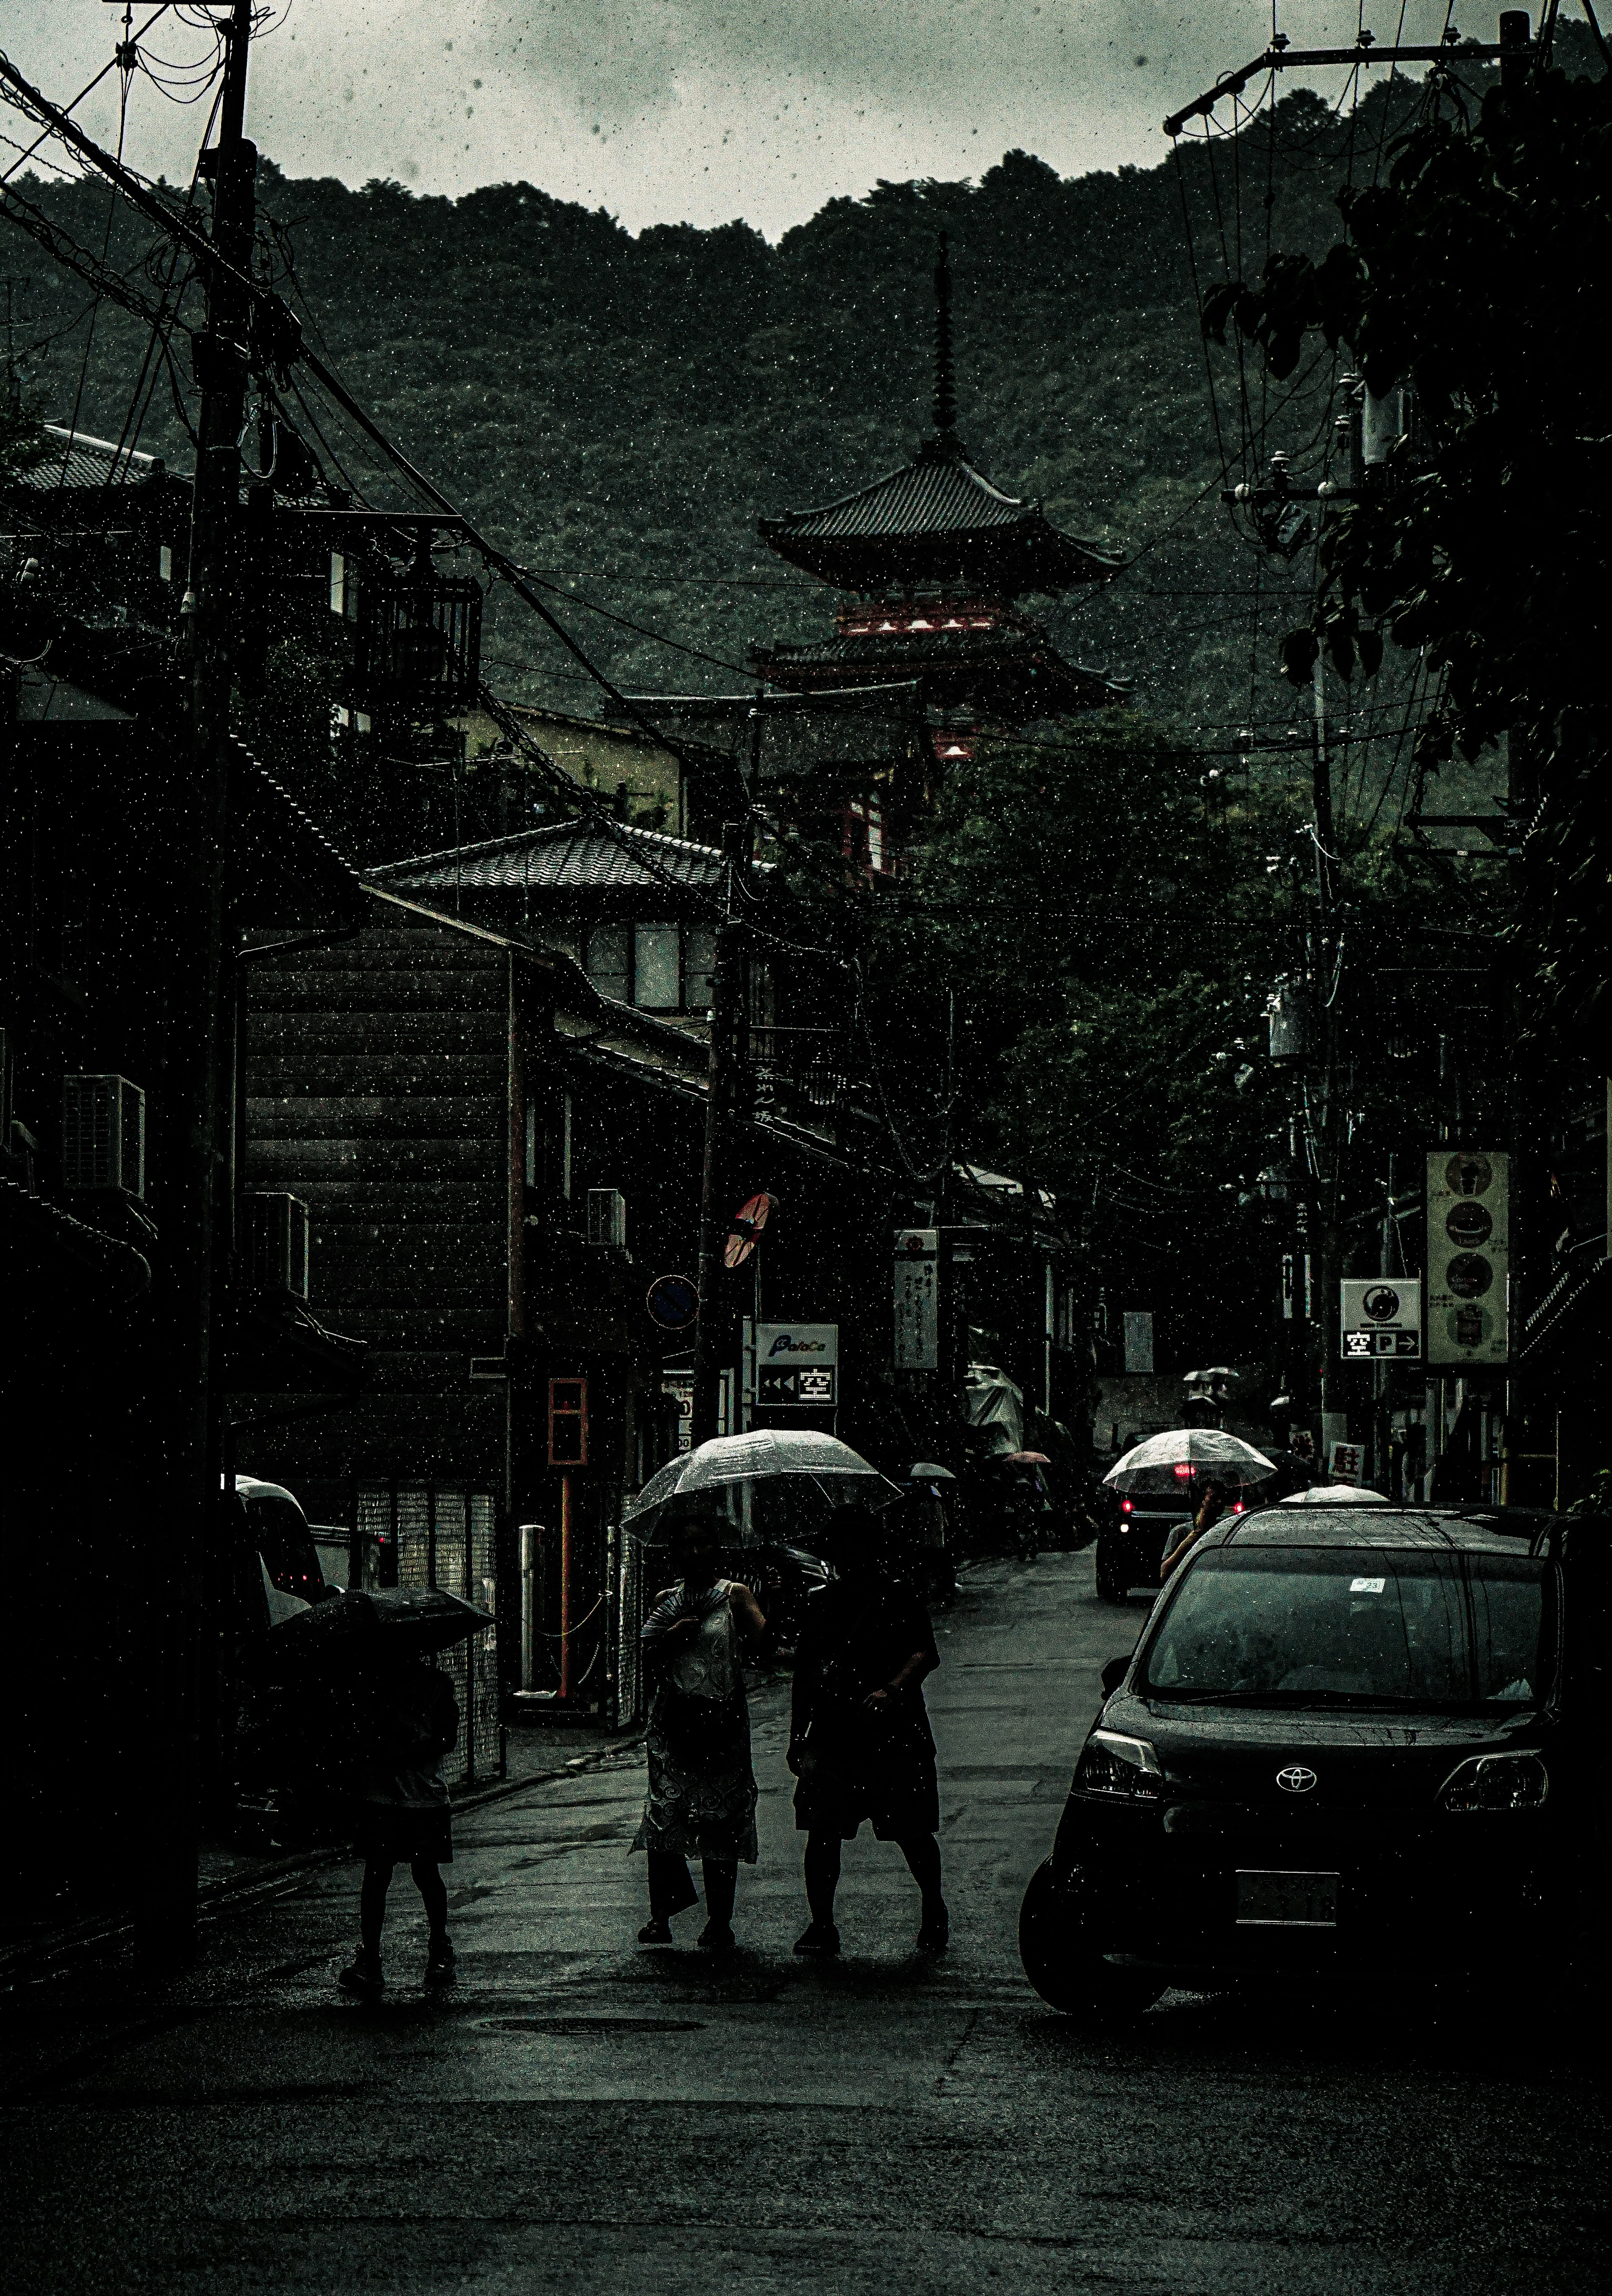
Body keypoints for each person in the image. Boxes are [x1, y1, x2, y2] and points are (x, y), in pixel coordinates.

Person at [788, 1506, 947, 1957]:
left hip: (894, 1734)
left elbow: (924, 1654)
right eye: (842, 1544)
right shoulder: (822, 1603)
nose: (849, 1552)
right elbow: (805, 1674)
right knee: (822, 1832)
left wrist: (892, 1691)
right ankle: (822, 1922)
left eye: (857, 1543)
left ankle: (934, 1908)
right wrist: (798, 1735)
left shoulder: (898, 1596)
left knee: (912, 1832)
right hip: (836, 1734)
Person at [632, 1509, 767, 1954]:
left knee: (720, 1821)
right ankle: (662, 1915)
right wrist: (671, 1635)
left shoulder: (735, 1597)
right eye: (687, 1545)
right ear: (674, 1555)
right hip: (674, 1726)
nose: (696, 1553)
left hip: (722, 1726)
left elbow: (765, 1644)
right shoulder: (664, 1602)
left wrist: (776, 1611)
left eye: (704, 1543)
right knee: (665, 1814)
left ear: (717, 1549)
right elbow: (648, 1659)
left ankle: (719, 1921)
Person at [339, 1643, 460, 1997]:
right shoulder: (369, 1687)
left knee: (420, 1874)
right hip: (384, 1796)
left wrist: (403, 1750)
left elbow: (447, 1737)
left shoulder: (436, 1686)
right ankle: (374, 1960)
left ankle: (437, 1947)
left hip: (421, 1796)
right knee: (379, 1876)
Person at [1160, 1474, 1233, 1581]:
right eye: (1214, 1498)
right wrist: (1187, 1543)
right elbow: (1164, 1573)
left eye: (1223, 1499)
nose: (1220, 1502)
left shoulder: (1225, 1532)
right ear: (1202, 1501)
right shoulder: (1181, 1532)